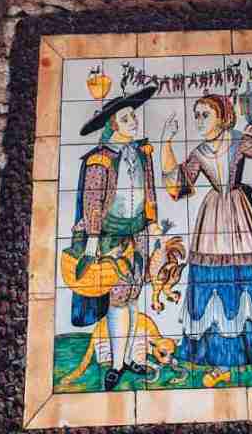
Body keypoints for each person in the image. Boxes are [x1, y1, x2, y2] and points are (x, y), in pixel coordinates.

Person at [160, 94, 252, 384]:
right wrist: (166, 142)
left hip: (242, 216)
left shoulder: (239, 141)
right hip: (212, 221)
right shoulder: (199, 151)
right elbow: (177, 187)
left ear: (223, 117)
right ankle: (221, 363)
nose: (199, 120)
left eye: (205, 114)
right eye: (196, 115)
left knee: (251, 285)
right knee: (213, 286)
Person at [70, 83, 163, 390]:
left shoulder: (142, 152)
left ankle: (129, 358)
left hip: (138, 235)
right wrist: (94, 239)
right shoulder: (100, 159)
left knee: (134, 297)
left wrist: (152, 222)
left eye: (132, 116)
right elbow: (92, 201)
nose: (133, 122)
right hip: (111, 237)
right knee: (118, 301)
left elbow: (149, 191)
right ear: (113, 125)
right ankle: (117, 364)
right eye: (126, 119)